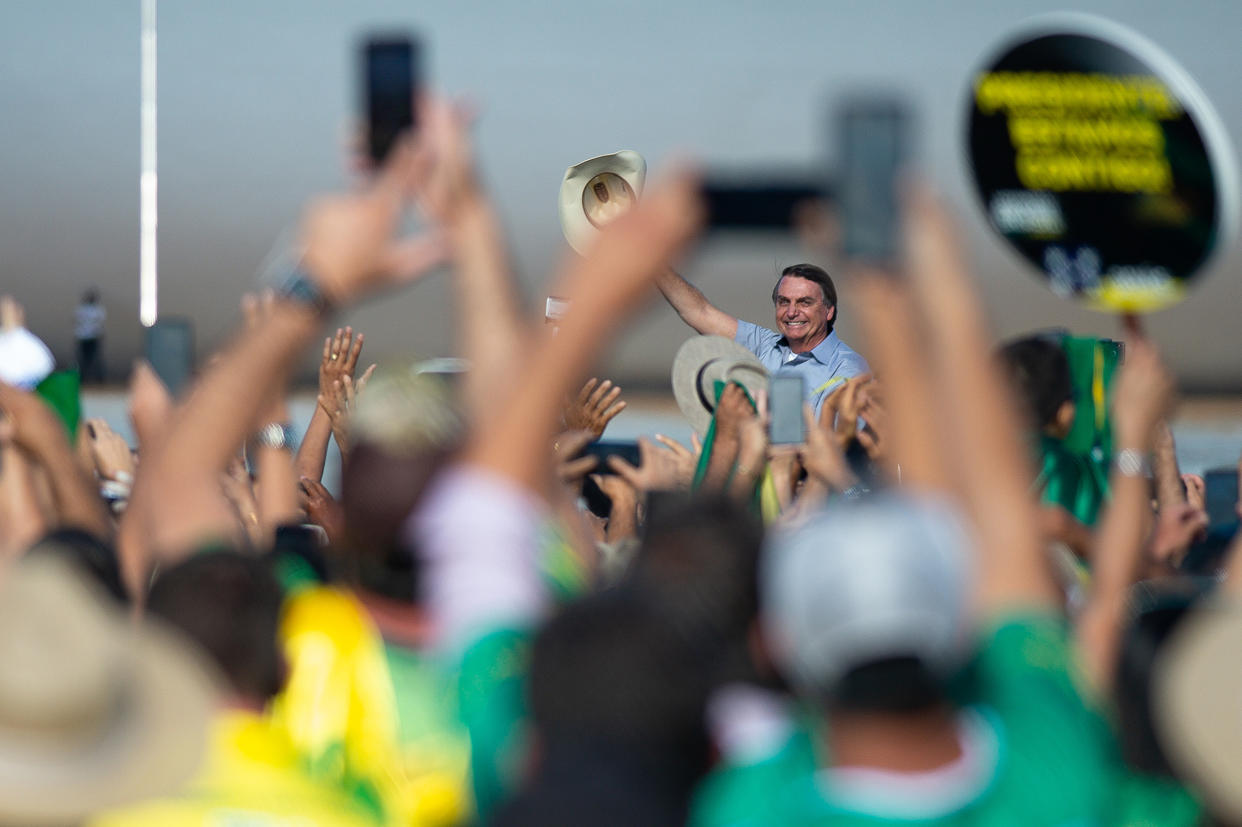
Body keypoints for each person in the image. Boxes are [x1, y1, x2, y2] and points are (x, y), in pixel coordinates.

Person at [656, 263, 867, 415]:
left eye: (804, 302)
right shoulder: (764, 344)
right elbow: (699, 311)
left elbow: (837, 452)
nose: (791, 312)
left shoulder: (848, 370)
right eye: (784, 302)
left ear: (829, 311)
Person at [75, 287, 107, 384]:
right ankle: (82, 378)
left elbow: (101, 323)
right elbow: (76, 320)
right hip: (84, 337)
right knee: (83, 359)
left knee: (95, 359)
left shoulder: (98, 310)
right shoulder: (81, 309)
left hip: (93, 337)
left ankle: (98, 379)